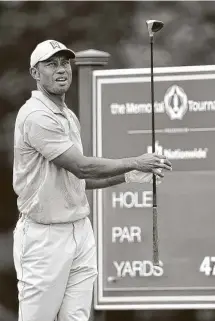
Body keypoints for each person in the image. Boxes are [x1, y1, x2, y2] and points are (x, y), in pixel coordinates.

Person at [12, 39, 172, 321]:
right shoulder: (36, 116)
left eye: (65, 63)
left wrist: (128, 175)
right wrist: (137, 160)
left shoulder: (68, 116)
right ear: (35, 73)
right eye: (51, 64)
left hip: (79, 231)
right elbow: (83, 168)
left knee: (77, 318)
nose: (61, 70)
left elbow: (77, 181)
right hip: (43, 237)